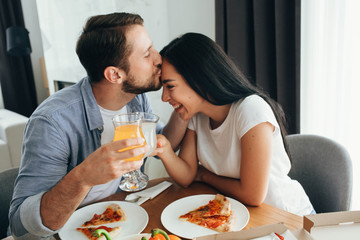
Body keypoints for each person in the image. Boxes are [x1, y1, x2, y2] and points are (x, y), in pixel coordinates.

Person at [9, 13, 188, 239]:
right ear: (114, 74)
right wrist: (82, 178)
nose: (159, 58)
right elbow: (19, 225)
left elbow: (162, 144)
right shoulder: (52, 122)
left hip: (119, 221)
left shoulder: (135, 98)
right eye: (146, 54)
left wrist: (183, 109)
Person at [155, 33, 314, 216]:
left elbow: (253, 195)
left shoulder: (250, 110)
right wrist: (165, 150)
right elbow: (187, 175)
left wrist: (205, 175)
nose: (164, 97)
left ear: (199, 79)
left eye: (170, 86)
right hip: (242, 215)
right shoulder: (197, 116)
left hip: (287, 218)